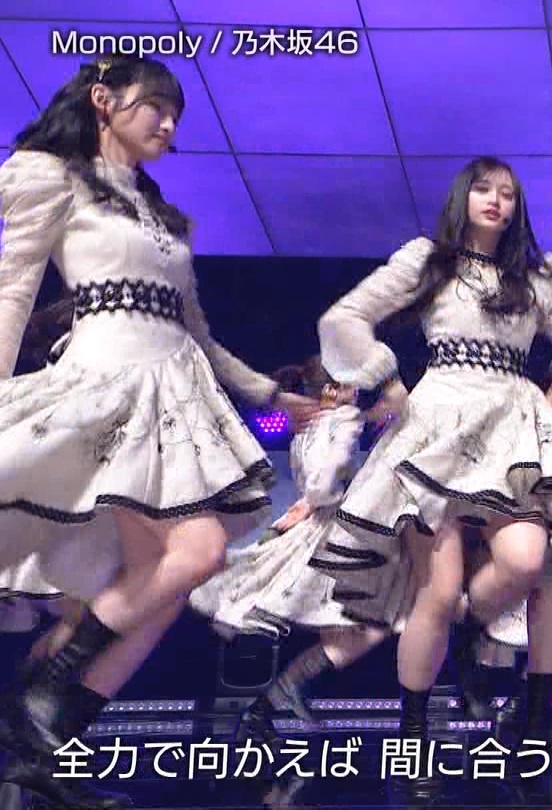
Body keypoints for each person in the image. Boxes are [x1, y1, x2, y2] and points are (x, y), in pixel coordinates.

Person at [0, 55, 317, 809]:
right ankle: (38, 696)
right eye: (156, 107)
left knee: (171, 587)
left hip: (174, 399)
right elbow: (13, 289)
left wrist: (272, 393)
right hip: (108, 391)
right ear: (103, 101)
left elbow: (196, 332)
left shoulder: (162, 215)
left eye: (176, 115)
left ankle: (47, 753)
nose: (169, 124)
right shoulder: (53, 176)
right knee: (199, 551)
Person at [307, 156, 552, 797]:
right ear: (463, 197)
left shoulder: (532, 279)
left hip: (512, 430)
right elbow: (343, 318)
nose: (496, 201)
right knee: (438, 588)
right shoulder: (428, 259)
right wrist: (385, 380)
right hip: (438, 427)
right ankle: (413, 742)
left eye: (507, 193)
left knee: (527, 559)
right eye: (483, 189)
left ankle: (469, 636)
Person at [189, 356, 389, 745]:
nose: (358, 389)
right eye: (351, 382)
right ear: (333, 388)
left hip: (328, 532)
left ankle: (267, 707)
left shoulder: (308, 428)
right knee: (375, 622)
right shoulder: (342, 420)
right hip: (339, 535)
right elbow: (322, 486)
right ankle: (271, 702)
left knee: (356, 628)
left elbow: (315, 487)